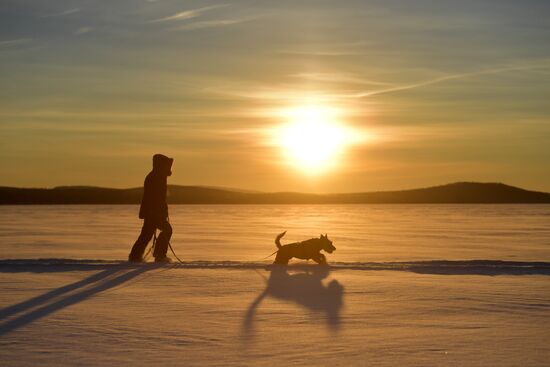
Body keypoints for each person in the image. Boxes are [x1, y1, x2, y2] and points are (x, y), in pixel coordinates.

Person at [128, 154, 174, 263]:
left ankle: (135, 256)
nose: (169, 168)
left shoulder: (157, 176)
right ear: (161, 165)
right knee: (167, 230)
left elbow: (159, 198)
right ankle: (159, 255)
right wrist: (157, 211)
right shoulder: (155, 177)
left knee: (146, 234)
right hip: (153, 212)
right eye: (167, 165)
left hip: (152, 212)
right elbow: (153, 198)